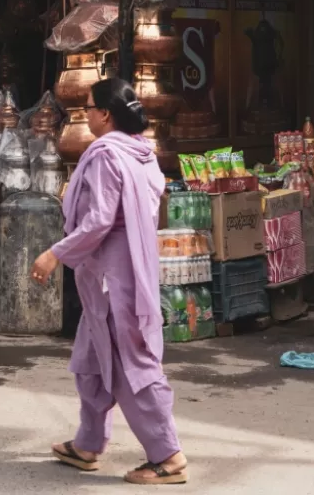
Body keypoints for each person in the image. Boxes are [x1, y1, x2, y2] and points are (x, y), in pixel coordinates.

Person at [31, 77, 187, 486]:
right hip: (118, 275)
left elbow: (99, 220)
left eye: (87, 108)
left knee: (131, 367)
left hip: (112, 281)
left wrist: (54, 253)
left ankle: (167, 456)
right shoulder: (143, 153)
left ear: (105, 114)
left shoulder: (105, 155)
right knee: (89, 361)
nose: (85, 115)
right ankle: (87, 444)